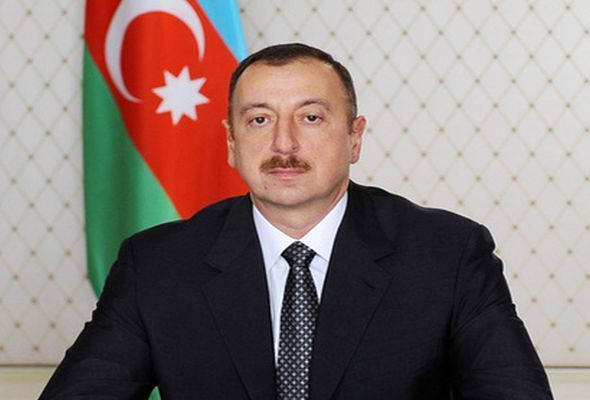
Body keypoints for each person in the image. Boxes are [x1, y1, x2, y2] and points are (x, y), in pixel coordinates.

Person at [40, 43, 553, 399]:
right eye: (259, 119)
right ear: (231, 142)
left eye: (310, 118)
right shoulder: (158, 264)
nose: (283, 144)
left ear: (354, 137)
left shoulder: (447, 254)